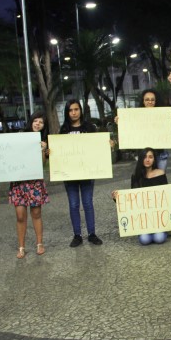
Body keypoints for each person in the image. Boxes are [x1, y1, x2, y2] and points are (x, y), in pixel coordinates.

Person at [0, 111, 49, 259]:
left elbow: (43, 164)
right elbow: (1, 151)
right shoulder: (18, 137)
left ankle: (39, 243)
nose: (37, 123)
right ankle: (21, 247)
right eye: (35, 120)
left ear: (44, 125)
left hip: (34, 182)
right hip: (18, 182)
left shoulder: (44, 141)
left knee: (36, 213)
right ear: (31, 122)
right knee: (20, 215)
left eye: (41, 122)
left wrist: (42, 149)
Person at [58, 99, 103, 247]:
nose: (74, 112)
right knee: (73, 204)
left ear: (80, 111)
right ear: (67, 112)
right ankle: (77, 235)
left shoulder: (89, 127)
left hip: (87, 172)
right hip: (69, 175)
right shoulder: (63, 130)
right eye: (70, 110)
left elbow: (97, 147)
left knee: (88, 203)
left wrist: (106, 144)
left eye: (76, 109)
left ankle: (92, 234)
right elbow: (59, 151)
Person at [113, 148, 171, 245]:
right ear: (140, 159)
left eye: (150, 157)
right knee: (145, 240)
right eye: (144, 157)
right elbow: (133, 200)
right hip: (144, 220)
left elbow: (166, 197)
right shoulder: (136, 176)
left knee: (159, 238)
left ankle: (161, 231)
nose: (147, 160)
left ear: (154, 159)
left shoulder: (160, 173)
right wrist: (117, 198)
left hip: (158, 217)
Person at [114, 89, 171, 171]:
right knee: (145, 181)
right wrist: (121, 123)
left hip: (160, 155)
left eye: (152, 100)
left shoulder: (163, 115)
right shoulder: (135, 117)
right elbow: (130, 132)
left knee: (160, 181)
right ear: (143, 101)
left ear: (155, 101)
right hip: (144, 156)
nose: (150, 102)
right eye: (147, 99)